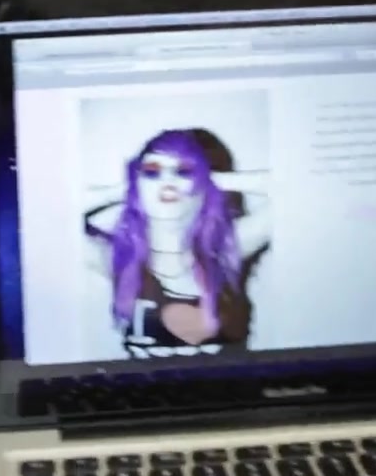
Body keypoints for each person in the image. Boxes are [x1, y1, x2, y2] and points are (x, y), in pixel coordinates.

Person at [83, 129, 272, 358]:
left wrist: (212, 180)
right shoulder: (117, 257)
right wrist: (131, 188)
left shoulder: (225, 249)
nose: (168, 181)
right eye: (151, 171)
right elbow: (53, 215)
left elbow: (298, 190)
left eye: (184, 171)